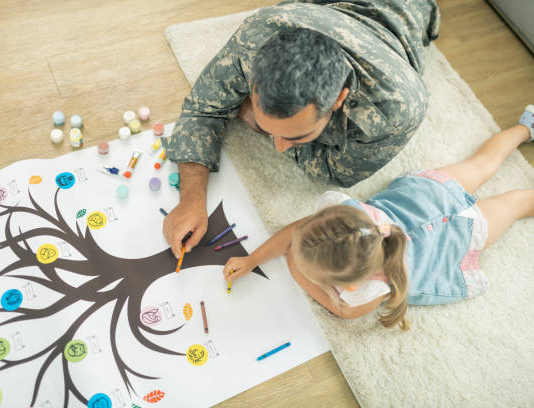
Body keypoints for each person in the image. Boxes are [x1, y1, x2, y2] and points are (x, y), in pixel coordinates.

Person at [162, 0, 441, 258]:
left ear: (339, 99)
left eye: (296, 136)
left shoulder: (396, 110)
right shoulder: (260, 34)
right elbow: (203, 107)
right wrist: (191, 199)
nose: (279, 146)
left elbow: (335, 172)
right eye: (266, 126)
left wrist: (248, 115)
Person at [222, 107, 534, 330]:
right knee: (485, 166)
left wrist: (295, 269)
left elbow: (341, 310)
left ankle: (526, 128)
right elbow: (298, 231)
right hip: (427, 195)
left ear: (351, 285)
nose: (292, 248)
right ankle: (527, 126)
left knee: (517, 202)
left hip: (458, 239)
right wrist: (253, 259)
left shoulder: (373, 289)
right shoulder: (344, 214)